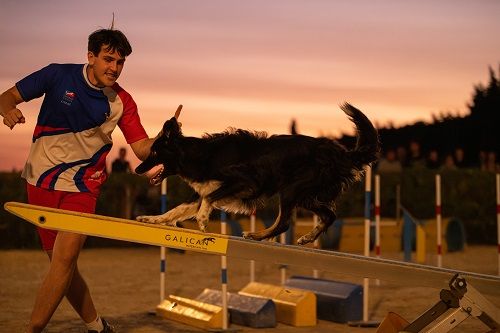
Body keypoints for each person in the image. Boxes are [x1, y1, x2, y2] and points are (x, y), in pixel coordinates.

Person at [0, 27, 161, 333]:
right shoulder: (57, 75)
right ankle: (98, 327)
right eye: (108, 59)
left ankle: (33, 328)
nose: (114, 67)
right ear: (90, 56)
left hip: (83, 186)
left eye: (120, 62)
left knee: (65, 260)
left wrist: (164, 141)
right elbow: (6, 97)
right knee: (62, 268)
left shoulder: (122, 101)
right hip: (40, 181)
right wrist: (8, 111)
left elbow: (141, 148)